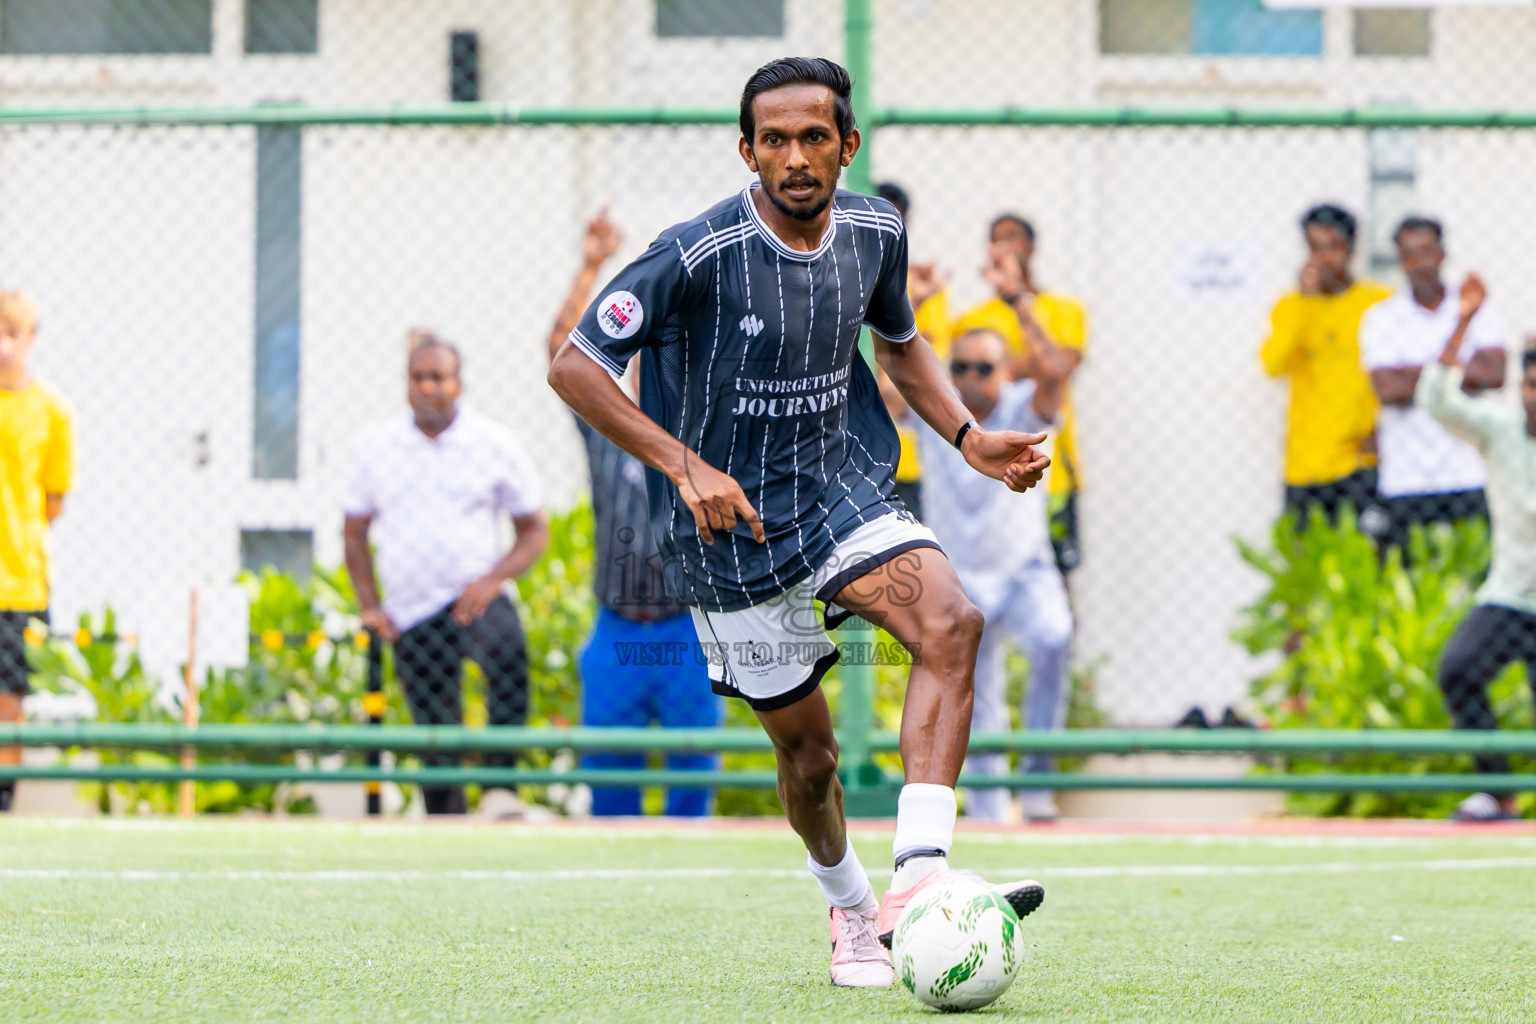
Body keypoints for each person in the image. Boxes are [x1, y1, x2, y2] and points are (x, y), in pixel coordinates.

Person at [547, 57, 1049, 988]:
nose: (795, 156)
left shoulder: (874, 233)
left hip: (841, 491)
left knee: (952, 622)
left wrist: (968, 436)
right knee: (809, 761)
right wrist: (682, 465)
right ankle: (854, 911)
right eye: (773, 140)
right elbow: (575, 364)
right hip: (731, 535)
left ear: (846, 146)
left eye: (814, 136)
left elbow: (898, 340)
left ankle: (921, 880)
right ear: (748, 151)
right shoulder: (692, 253)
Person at [547, 209, 721, 817]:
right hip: (619, 623)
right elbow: (562, 353)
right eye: (649, 353)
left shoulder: (708, 437)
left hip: (686, 627)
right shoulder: (609, 428)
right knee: (608, 776)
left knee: (693, 774)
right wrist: (592, 263)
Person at [342, 332, 549, 817]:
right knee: (432, 724)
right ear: (405, 383)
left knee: (509, 665)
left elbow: (534, 529)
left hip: (475, 598)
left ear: (459, 383)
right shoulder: (376, 446)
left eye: (438, 377)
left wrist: (493, 579)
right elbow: (353, 533)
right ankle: (446, 820)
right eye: (418, 377)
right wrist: (370, 606)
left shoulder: (494, 443)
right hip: (411, 610)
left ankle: (500, 790)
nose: (427, 387)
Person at [917, 326, 1072, 824]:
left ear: (1007, 371)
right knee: (974, 689)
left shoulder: (1024, 408)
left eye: (983, 367)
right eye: (958, 367)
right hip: (962, 575)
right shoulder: (939, 411)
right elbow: (886, 385)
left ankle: (1037, 786)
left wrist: (1020, 301)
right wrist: (905, 305)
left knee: (1054, 639)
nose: (969, 378)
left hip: (1025, 571)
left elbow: (1056, 372)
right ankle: (988, 807)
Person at [1417, 274, 1533, 821]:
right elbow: (1436, 398)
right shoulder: (1502, 430)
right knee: (1459, 669)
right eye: (1531, 384)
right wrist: (1463, 321)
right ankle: (1498, 790)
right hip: (1511, 596)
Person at [950, 215, 1088, 573]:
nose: (1004, 247)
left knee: (1055, 577)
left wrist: (1016, 304)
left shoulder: (1065, 309)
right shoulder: (970, 319)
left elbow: (1057, 370)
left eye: (1012, 238)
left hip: (1053, 469)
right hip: (988, 470)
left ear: (1032, 248)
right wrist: (1029, 364)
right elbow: (969, 383)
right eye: (996, 240)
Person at [1362, 217, 1508, 552]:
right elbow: (1389, 391)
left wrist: (1412, 373)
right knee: (1408, 582)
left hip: (1469, 470)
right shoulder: (1382, 317)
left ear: (1443, 254)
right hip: (1406, 476)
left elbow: (1494, 374)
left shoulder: (1477, 309)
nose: (1419, 263)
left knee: (1476, 576)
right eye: (1409, 254)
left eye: (1427, 252)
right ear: (1399, 260)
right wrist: (1456, 371)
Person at [1260, 204, 1391, 526]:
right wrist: (1306, 303)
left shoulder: (1379, 303)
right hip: (1307, 464)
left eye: (1332, 247)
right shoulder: (1291, 306)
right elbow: (1272, 365)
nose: (1323, 258)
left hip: (1362, 461)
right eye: (1314, 248)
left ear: (1351, 250)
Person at [0, 293, 73, 813]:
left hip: (18, 580)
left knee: (9, 699)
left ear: (31, 339)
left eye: (13, 333)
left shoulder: (52, 410)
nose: (3, 346)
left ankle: (5, 802)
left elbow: (54, 499)